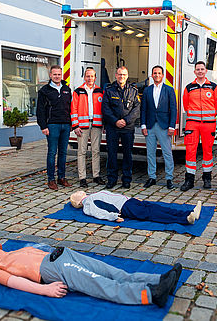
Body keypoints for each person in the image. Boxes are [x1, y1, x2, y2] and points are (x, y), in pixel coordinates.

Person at [0, 240, 182, 308]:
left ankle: (160, 280)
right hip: (53, 270)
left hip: (63, 254)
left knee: (113, 272)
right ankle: (150, 294)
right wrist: (45, 290)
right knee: (99, 283)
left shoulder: (15, 249)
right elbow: (15, 283)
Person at [180, 61, 217, 191]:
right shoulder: (189, 87)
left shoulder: (213, 87)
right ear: (195, 72)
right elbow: (186, 106)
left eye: (202, 69)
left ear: (205, 71)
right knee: (190, 151)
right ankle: (189, 180)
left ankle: (207, 178)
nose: (200, 71)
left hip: (209, 124)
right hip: (193, 124)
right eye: (198, 69)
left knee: (208, 151)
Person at [102, 66, 140, 189]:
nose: (121, 77)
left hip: (127, 128)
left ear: (127, 76)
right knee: (112, 154)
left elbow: (136, 109)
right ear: (116, 76)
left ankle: (126, 179)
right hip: (112, 128)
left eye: (124, 75)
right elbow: (105, 109)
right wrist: (115, 121)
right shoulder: (109, 90)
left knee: (127, 154)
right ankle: (111, 179)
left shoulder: (133, 91)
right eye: (119, 74)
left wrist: (125, 120)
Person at [36, 65, 73, 190]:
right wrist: (43, 126)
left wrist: (71, 124)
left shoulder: (67, 89)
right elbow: (40, 110)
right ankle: (51, 179)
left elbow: (70, 108)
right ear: (50, 75)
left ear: (61, 75)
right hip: (52, 125)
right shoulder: (44, 91)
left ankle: (61, 177)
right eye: (54, 74)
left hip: (65, 125)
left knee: (63, 152)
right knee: (52, 152)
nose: (57, 76)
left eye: (59, 74)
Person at [140, 66, 177, 190]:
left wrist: (172, 126)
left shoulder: (169, 90)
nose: (156, 75)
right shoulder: (147, 90)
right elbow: (143, 109)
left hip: (164, 126)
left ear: (162, 75)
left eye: (159, 73)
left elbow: (173, 109)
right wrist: (143, 125)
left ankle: (169, 178)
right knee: (150, 153)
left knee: (167, 153)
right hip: (150, 126)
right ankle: (152, 177)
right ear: (152, 75)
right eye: (154, 73)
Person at [70, 190, 202, 224]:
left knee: (156, 208)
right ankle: (185, 218)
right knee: (154, 213)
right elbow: (99, 212)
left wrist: (130, 198)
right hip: (125, 207)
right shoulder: (88, 204)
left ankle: (188, 213)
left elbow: (113, 195)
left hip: (128, 202)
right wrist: (113, 217)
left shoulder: (94, 196)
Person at [71, 67, 105, 188]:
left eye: (92, 76)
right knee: (82, 152)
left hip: (96, 125)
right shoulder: (78, 91)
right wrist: (75, 125)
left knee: (96, 151)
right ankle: (82, 178)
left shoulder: (100, 91)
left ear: (95, 78)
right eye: (88, 76)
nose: (90, 78)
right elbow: (73, 109)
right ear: (84, 77)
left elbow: (104, 109)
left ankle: (96, 176)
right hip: (82, 125)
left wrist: (104, 123)